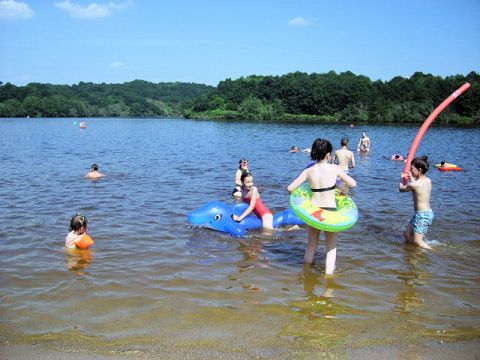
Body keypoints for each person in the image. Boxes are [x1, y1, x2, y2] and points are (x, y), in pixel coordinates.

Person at [287, 138, 356, 275]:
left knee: (311, 245)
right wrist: (340, 190)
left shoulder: (309, 171)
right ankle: (328, 276)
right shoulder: (334, 168)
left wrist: (305, 192)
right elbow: (353, 184)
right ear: (328, 154)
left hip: (314, 212)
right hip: (330, 211)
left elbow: (290, 188)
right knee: (331, 247)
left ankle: (306, 273)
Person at [399, 155, 433, 249]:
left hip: (422, 215)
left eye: (412, 168)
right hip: (423, 214)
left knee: (418, 241)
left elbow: (401, 189)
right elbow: (417, 186)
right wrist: (411, 178)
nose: (410, 169)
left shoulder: (414, 184)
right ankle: (411, 251)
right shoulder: (428, 181)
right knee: (407, 234)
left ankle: (434, 251)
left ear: (419, 170)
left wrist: (402, 179)